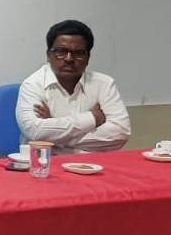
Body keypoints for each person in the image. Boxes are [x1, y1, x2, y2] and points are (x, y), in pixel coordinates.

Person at [16, 19, 130, 153]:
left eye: (78, 53)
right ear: (48, 55)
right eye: (61, 51)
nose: (69, 58)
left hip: (92, 163)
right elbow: (35, 132)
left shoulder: (104, 84)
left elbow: (121, 132)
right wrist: (93, 118)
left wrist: (55, 132)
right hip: (46, 162)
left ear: (88, 58)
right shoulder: (33, 85)